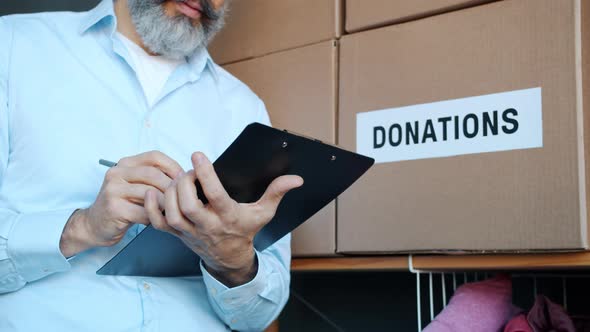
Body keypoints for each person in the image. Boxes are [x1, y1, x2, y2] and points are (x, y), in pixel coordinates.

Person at [0, 0, 304, 330]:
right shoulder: (13, 46)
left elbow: (258, 319)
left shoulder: (245, 108)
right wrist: (81, 228)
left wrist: (233, 261)